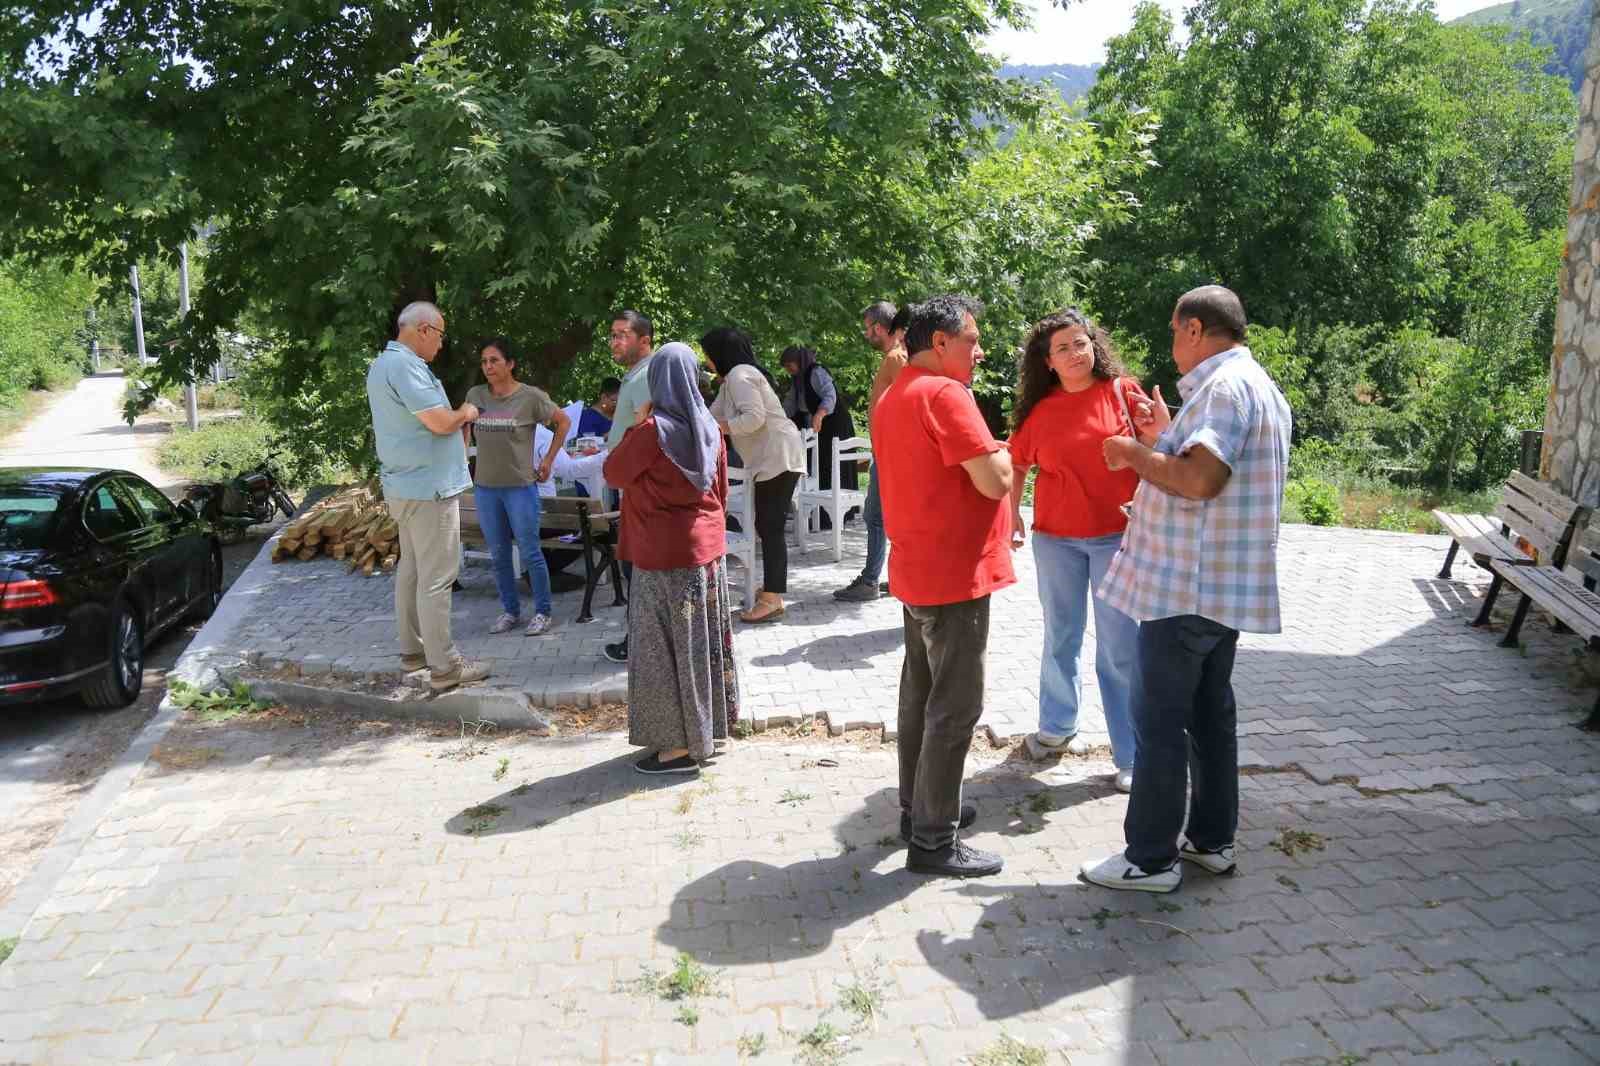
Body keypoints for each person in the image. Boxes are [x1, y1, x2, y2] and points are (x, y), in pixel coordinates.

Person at [1080, 285, 1292, 894]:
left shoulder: (1223, 389)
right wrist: (1162, 438)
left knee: (1159, 721)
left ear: (1195, 329)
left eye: (1174, 331)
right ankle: (1210, 842)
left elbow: (1198, 482)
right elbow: (1209, 469)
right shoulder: (1257, 386)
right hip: (1219, 588)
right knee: (1208, 716)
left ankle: (1149, 859)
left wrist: (1129, 453)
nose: (1172, 345)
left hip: (1185, 590)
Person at [875, 295, 1014, 878]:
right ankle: (934, 841)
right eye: (971, 341)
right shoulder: (944, 394)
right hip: (955, 577)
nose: (979, 352)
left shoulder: (893, 394)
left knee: (920, 700)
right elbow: (994, 479)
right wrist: (1007, 454)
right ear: (940, 343)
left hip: (917, 572)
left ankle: (921, 811)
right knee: (954, 709)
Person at [1008, 309, 1150, 792]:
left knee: (1119, 649)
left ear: (1095, 345)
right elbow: (1017, 464)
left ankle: (1130, 754)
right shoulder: (1041, 410)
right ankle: (1056, 727)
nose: (1074, 353)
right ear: (1047, 361)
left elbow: (1160, 444)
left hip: (1118, 537)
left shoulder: (1123, 393)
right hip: (1056, 541)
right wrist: (1012, 515)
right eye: (1062, 348)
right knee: (1061, 636)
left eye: (1081, 342)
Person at [603, 343, 739, 775]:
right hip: (706, 552)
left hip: (661, 554)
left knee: (662, 651)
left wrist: (639, 421)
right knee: (703, 645)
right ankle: (709, 732)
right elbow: (720, 492)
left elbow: (612, 473)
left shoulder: (651, 432)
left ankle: (678, 750)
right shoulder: (710, 427)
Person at [364, 300, 490, 693]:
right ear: (422, 329)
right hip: (429, 488)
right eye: (439, 335)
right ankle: (445, 666)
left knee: (413, 571)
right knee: (437, 577)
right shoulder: (406, 366)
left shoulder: (383, 365)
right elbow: (438, 422)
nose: (441, 344)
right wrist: (467, 412)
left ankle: (414, 653)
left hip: (406, 486)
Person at [463, 338, 570, 636]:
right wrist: (462, 455)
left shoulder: (530, 397)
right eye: (484, 362)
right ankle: (510, 611)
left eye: (494, 360)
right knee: (498, 554)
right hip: (486, 489)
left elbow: (562, 422)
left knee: (530, 551)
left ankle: (543, 612)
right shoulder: (477, 395)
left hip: (520, 488)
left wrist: (548, 460)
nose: (488, 367)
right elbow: (463, 422)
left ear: (510, 364)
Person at [702, 326, 807, 625]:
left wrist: (721, 428)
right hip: (771, 457)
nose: (707, 361)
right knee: (767, 525)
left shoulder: (740, 375)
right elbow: (710, 415)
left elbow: (753, 418)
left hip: (777, 455)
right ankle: (772, 590)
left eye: (708, 354)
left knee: (770, 527)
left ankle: (772, 598)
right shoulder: (729, 382)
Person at [834, 301, 907, 603]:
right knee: (884, 517)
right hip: (888, 453)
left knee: (876, 517)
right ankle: (896, 577)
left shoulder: (897, 357)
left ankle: (870, 581)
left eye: (867, 328)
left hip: (893, 455)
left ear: (879, 327)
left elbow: (913, 402)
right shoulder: (895, 356)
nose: (867, 334)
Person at [603, 310, 656, 665]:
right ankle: (639, 639)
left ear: (644, 340)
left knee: (639, 567)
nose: (615, 341)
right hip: (633, 485)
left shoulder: (648, 375)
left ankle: (640, 644)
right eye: (612, 335)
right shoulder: (635, 375)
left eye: (623, 334)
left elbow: (645, 431)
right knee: (634, 567)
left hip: (641, 487)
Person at [781, 345, 857, 508]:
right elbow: (790, 405)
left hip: (834, 424)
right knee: (817, 466)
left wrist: (820, 414)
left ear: (799, 361)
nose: (788, 370)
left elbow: (830, 395)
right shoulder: (798, 379)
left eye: (789, 365)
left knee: (831, 465)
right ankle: (818, 511)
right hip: (816, 428)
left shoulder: (816, 372)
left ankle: (837, 509)